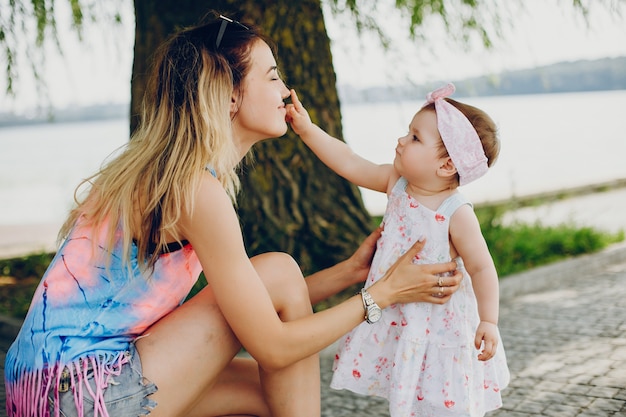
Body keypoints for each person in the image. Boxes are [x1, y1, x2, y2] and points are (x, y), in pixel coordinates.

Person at [3, 14, 464, 417]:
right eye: (272, 76)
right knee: (280, 286)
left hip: (40, 392)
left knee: (272, 392)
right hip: (81, 395)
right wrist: (381, 294)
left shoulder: (173, 174)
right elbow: (274, 346)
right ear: (228, 96)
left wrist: (350, 273)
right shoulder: (196, 191)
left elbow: (247, 309)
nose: (286, 90)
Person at [286, 82, 510, 416]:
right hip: (398, 314)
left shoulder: (455, 211)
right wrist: (307, 129)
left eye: (415, 137)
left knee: (443, 399)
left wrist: (489, 321)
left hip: (438, 323)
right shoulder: (397, 182)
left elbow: (481, 267)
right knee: (407, 388)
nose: (402, 140)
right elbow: (348, 161)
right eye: (408, 132)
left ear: (447, 165)